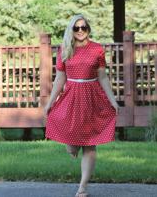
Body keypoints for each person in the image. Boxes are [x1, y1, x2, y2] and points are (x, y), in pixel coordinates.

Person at [44, 14, 119, 197]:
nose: (80, 31)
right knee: (71, 136)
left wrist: (113, 100)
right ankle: (71, 144)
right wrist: (50, 101)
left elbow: (102, 76)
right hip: (71, 95)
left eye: (83, 27)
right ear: (71, 30)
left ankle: (83, 187)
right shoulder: (65, 49)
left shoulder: (97, 49)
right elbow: (60, 78)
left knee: (90, 144)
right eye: (76, 28)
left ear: (88, 29)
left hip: (92, 96)